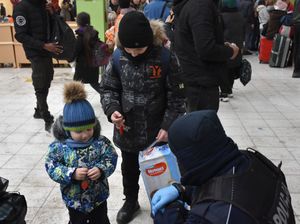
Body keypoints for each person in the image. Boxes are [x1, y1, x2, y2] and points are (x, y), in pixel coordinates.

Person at [99, 11, 185, 224]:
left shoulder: (165, 58)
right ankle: (131, 201)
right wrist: (112, 110)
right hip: (127, 129)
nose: (135, 54)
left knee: (161, 169)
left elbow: (177, 96)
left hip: (158, 132)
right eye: (131, 49)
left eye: (140, 49)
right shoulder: (118, 57)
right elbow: (109, 88)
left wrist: (168, 125)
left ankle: (167, 203)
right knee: (129, 169)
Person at [151, 110, 296, 224]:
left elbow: (219, 207)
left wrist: (168, 213)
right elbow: (218, 186)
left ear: (189, 158)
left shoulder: (215, 216)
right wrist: (182, 190)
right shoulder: (251, 160)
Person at [45, 81, 118, 224]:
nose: (85, 135)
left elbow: (111, 157)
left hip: (98, 198)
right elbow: (51, 166)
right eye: (78, 131)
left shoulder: (101, 142)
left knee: (101, 220)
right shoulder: (59, 147)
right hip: (74, 201)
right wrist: (71, 173)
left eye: (89, 129)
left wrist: (101, 169)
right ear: (67, 129)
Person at [173, 0, 239, 112]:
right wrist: (231, 51)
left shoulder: (195, 5)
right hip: (201, 83)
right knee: (202, 126)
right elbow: (206, 49)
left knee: (198, 125)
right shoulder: (200, 6)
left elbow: (197, 41)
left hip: (195, 79)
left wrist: (220, 45)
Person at [13, 0, 63, 132]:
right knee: (40, 81)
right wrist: (43, 46)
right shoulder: (21, 8)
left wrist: (52, 13)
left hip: (47, 49)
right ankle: (46, 115)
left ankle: (38, 110)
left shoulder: (43, 5)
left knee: (47, 78)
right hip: (35, 51)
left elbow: (53, 25)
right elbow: (20, 35)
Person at [219, 0, 245, 102]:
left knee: (223, 69)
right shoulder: (240, 15)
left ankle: (224, 92)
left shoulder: (222, 16)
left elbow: (219, 32)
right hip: (237, 46)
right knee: (232, 69)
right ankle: (229, 90)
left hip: (227, 45)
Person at [71, 12, 101, 93]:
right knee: (94, 83)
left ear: (78, 22)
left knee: (76, 85)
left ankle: (76, 102)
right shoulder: (94, 34)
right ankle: (106, 96)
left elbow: (75, 51)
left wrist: (70, 58)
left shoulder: (80, 37)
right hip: (93, 65)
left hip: (82, 67)